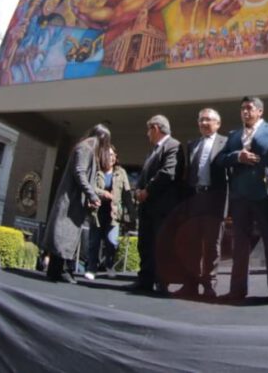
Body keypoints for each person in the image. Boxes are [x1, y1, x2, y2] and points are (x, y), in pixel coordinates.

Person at [217, 96, 268, 303]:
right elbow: (220, 159)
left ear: (260, 111)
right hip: (240, 196)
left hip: (266, 195)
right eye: (242, 109)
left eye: (249, 108)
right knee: (239, 244)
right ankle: (237, 290)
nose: (245, 112)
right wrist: (237, 156)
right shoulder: (234, 135)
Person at [43, 124, 108, 284]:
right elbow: (80, 172)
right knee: (64, 236)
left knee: (64, 236)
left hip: (73, 201)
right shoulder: (86, 148)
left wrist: (92, 195)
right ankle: (62, 270)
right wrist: (92, 195)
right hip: (70, 202)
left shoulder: (84, 147)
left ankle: (56, 270)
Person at [177, 108, 228, 299]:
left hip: (215, 199)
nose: (204, 123)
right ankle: (190, 284)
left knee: (212, 244)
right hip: (195, 198)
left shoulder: (226, 143)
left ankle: (209, 284)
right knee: (192, 243)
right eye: (201, 120)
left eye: (208, 120)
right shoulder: (192, 144)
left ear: (218, 123)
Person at [133, 115, 181, 294]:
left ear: (155, 128)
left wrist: (147, 191)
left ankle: (162, 283)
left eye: (148, 130)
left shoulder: (173, 146)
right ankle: (145, 280)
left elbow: (168, 172)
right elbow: (144, 174)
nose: (147, 134)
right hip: (147, 208)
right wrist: (138, 190)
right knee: (145, 244)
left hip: (162, 207)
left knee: (162, 245)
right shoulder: (153, 150)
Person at [85, 146, 131, 280]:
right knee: (94, 242)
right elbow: (90, 187)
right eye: (107, 155)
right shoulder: (96, 171)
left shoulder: (121, 172)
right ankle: (92, 268)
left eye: (112, 155)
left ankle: (109, 266)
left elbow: (127, 194)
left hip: (113, 214)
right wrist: (103, 193)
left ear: (116, 157)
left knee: (112, 242)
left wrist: (131, 213)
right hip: (97, 212)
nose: (110, 158)